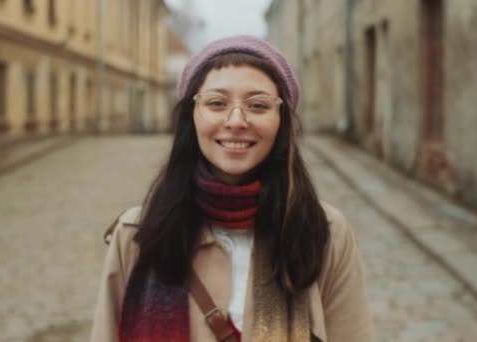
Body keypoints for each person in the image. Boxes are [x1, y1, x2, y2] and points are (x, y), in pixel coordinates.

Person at [90, 35, 374, 342]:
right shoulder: (137, 234)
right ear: (192, 117)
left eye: (257, 105)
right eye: (216, 103)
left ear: (281, 121)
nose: (236, 120)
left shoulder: (324, 234)